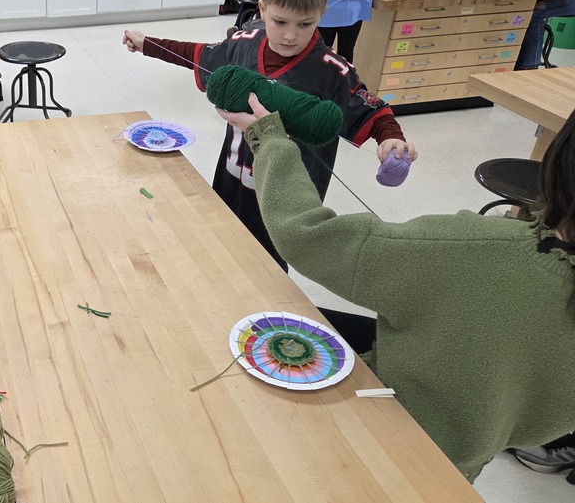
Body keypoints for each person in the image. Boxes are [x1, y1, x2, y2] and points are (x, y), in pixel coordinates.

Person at [213, 90, 575, 482]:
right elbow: (544, 421)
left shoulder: (479, 249)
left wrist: (270, 142)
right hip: (460, 467)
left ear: (559, 163)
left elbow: (306, 234)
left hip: (373, 438)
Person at [123, 0, 417, 271]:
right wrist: (148, 44)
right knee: (223, 247)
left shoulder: (332, 71)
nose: (291, 35)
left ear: (321, 14)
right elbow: (199, 54)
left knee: (268, 266)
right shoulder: (243, 44)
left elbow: (374, 111)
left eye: (305, 24)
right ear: (262, 11)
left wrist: (391, 139)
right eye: (280, 22)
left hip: (284, 197)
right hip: (233, 177)